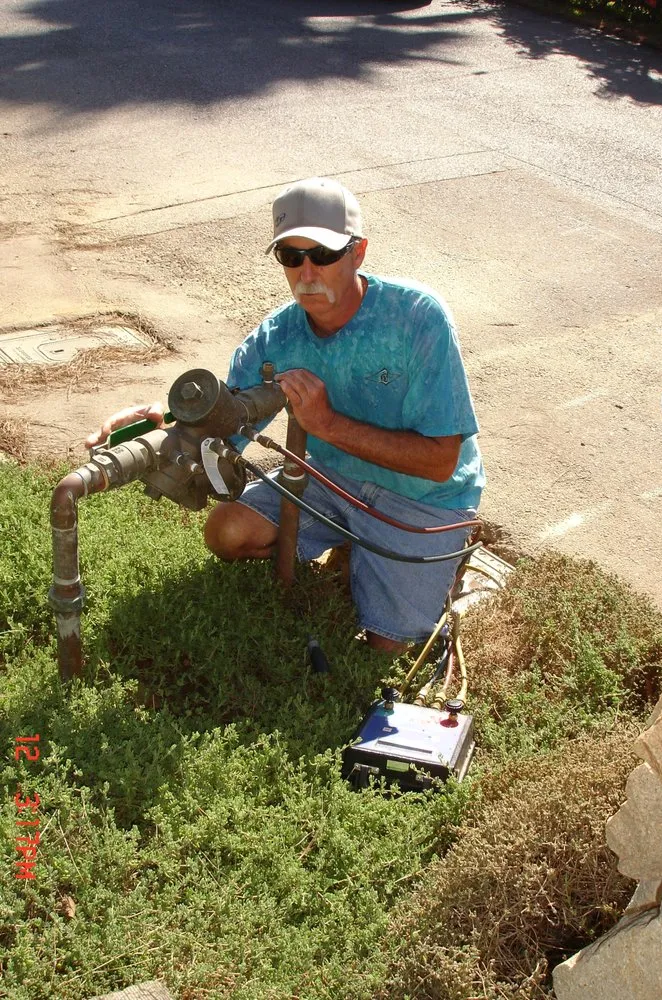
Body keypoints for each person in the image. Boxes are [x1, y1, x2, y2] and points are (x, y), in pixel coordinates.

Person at [86, 177, 484, 654]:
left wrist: (328, 425)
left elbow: (441, 461)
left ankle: (439, 556)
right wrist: (164, 423)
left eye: (323, 254)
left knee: (387, 646)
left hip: (423, 498)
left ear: (358, 253)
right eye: (290, 257)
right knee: (227, 532)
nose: (307, 272)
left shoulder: (417, 317)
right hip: (329, 478)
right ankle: (355, 547)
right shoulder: (277, 336)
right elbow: (224, 420)